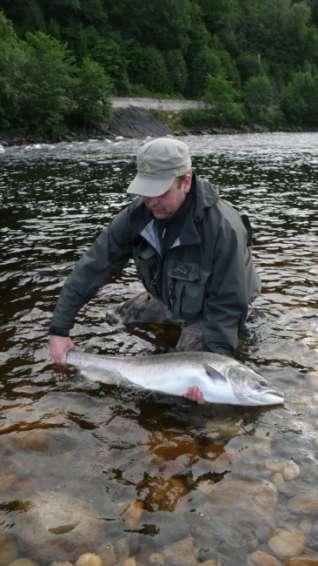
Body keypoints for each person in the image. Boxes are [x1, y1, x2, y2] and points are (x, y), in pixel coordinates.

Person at [49, 137, 260, 403]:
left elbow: (227, 304)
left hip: (212, 308)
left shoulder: (222, 228)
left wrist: (216, 365)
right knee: (117, 318)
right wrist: (59, 329)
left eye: (160, 192)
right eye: (145, 192)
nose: (151, 201)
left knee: (183, 398)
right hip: (170, 296)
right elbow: (92, 267)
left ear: (186, 181)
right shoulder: (137, 215)